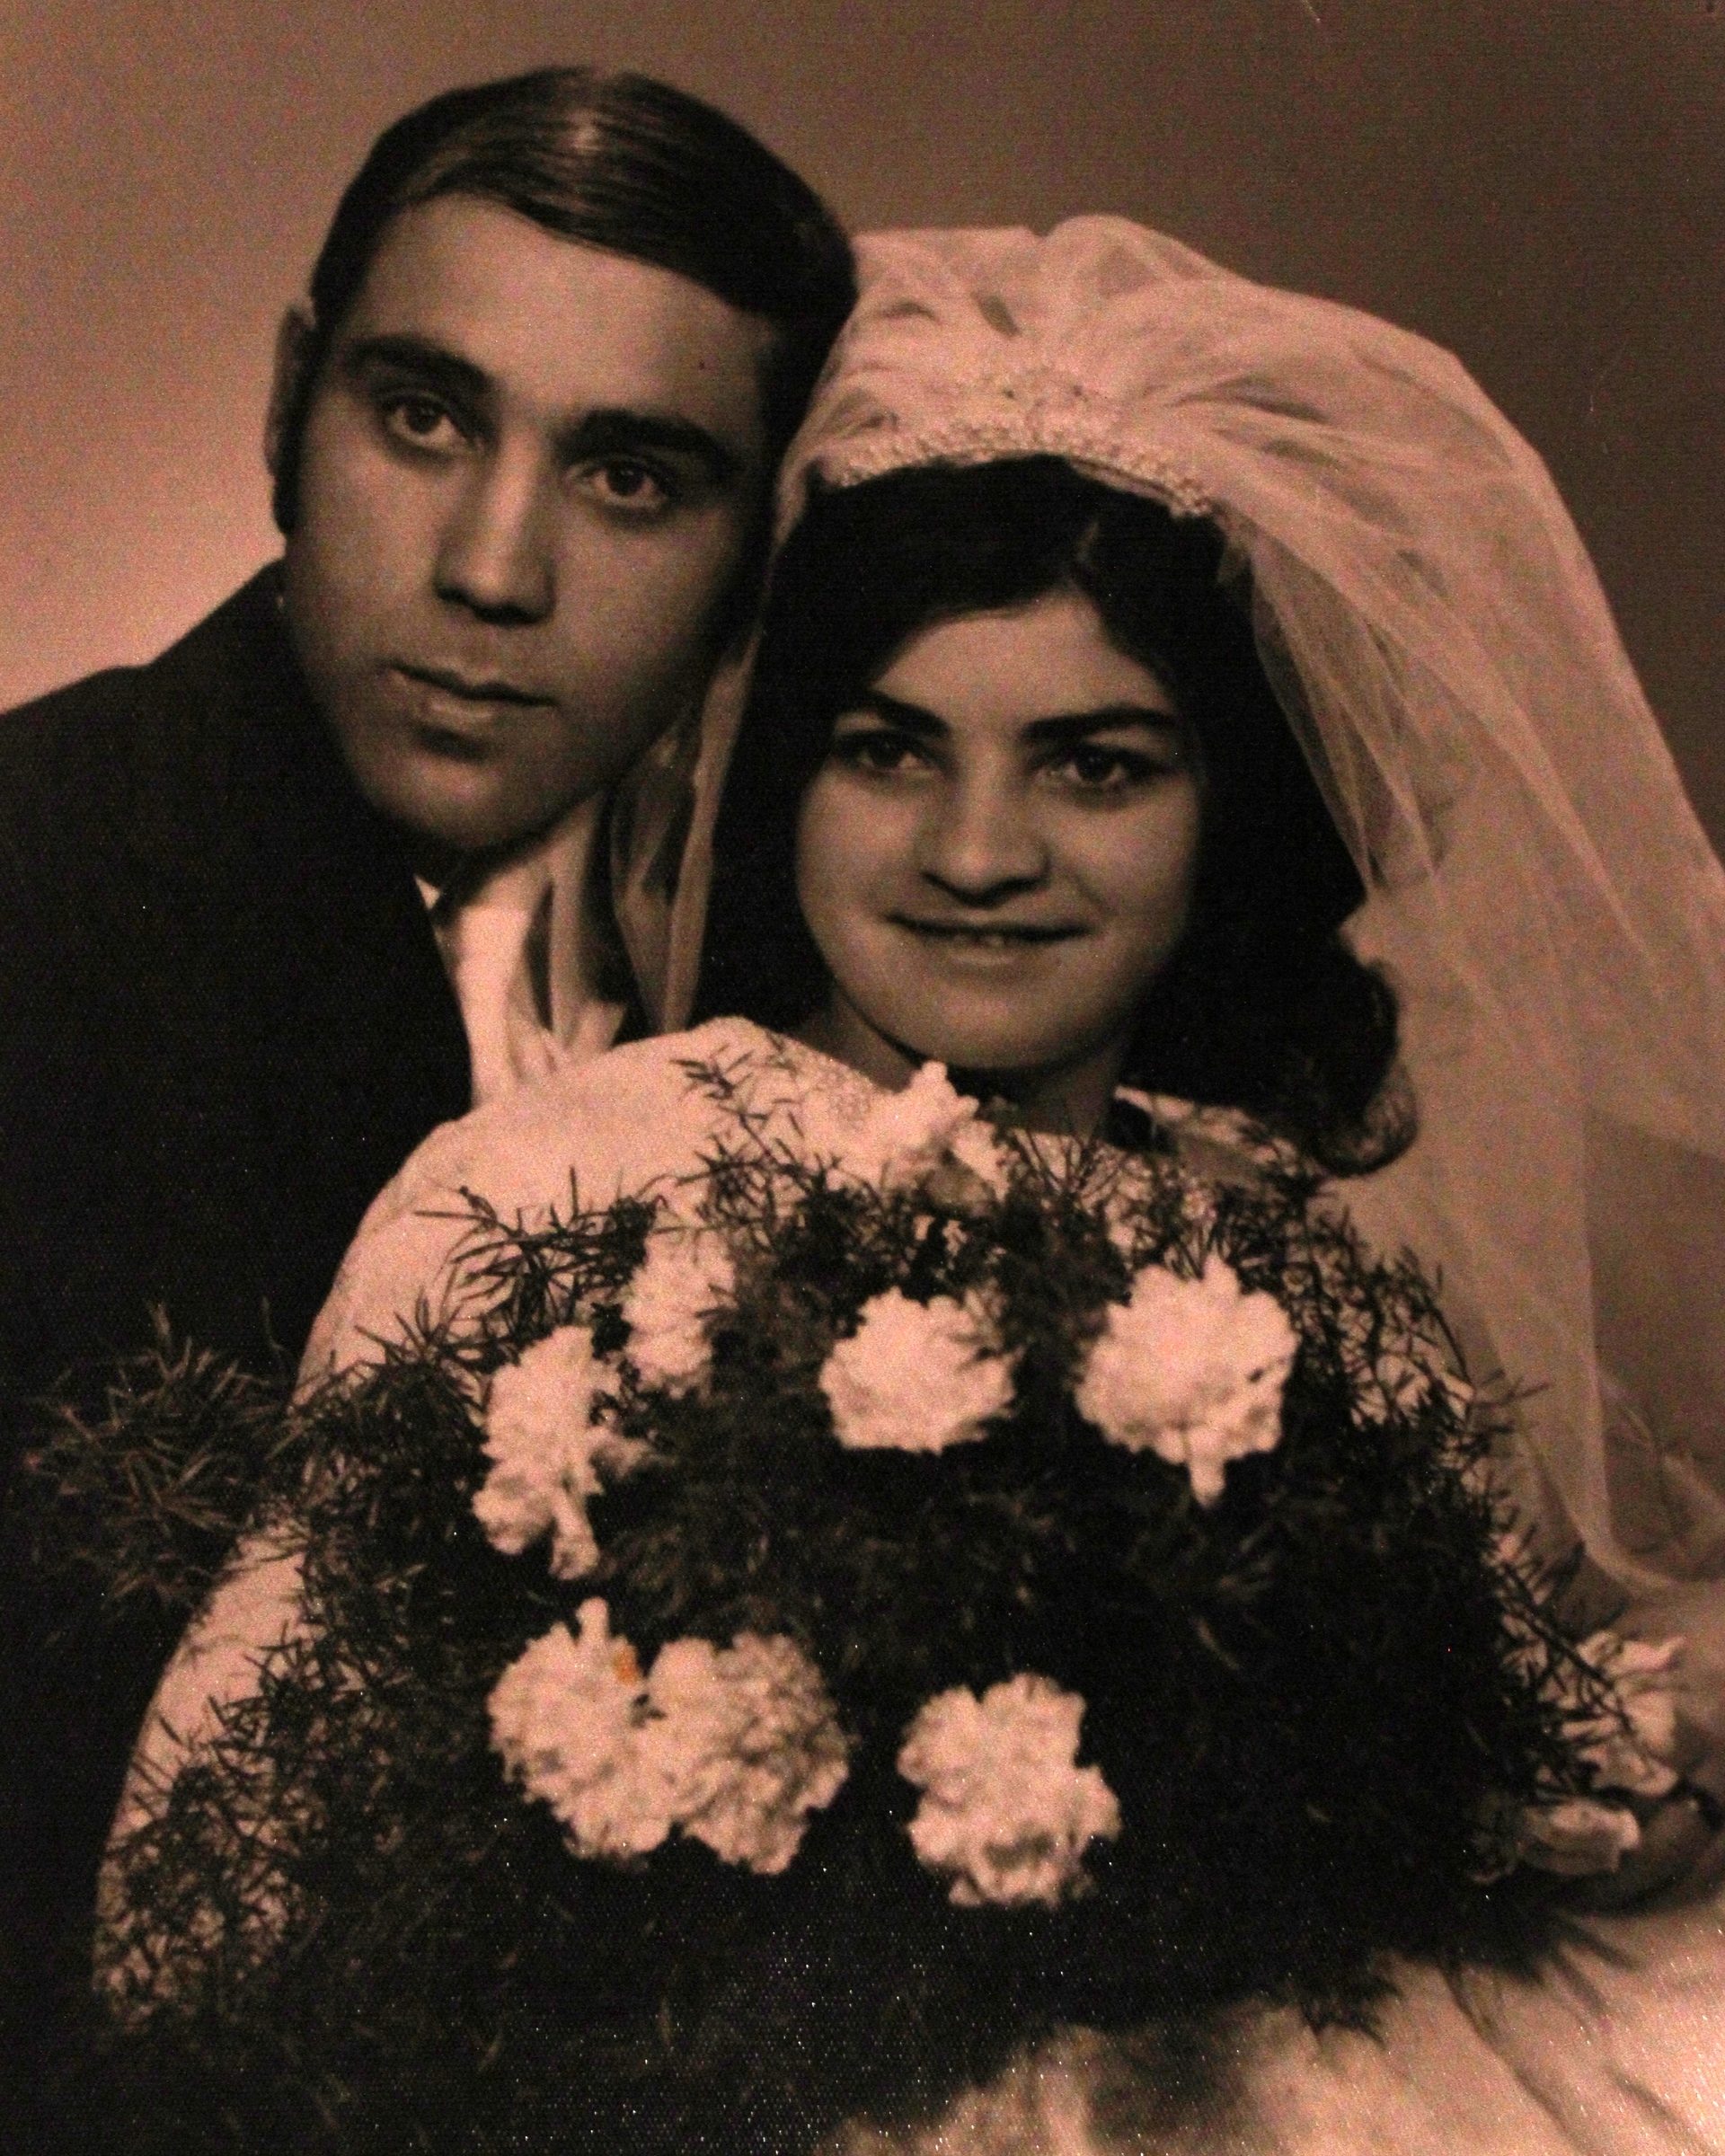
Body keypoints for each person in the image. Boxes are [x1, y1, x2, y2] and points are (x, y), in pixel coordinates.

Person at [105, 218, 1725, 2151]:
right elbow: (217, 1884)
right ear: (784, 779)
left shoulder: (1276, 1234)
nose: (977, 854)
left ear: (1232, 813)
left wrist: (1603, 1786)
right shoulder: (566, 1175)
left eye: (1094, 767)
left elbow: (1509, 1743)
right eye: (890, 753)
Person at [0, 62, 854, 2102]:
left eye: (630, 477)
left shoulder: (820, 966)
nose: (491, 567)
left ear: (756, 555)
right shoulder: (43, 879)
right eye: (423, 417)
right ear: (284, 406)